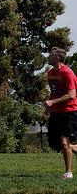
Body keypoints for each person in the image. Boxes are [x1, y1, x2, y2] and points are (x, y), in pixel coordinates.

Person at [44, 47, 77, 179]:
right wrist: (49, 106)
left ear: (57, 58)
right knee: (55, 144)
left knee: (64, 142)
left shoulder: (67, 73)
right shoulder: (50, 73)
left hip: (69, 112)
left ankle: (68, 172)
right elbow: (54, 90)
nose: (48, 57)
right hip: (56, 112)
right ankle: (74, 148)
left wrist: (52, 102)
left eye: (50, 55)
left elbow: (71, 95)